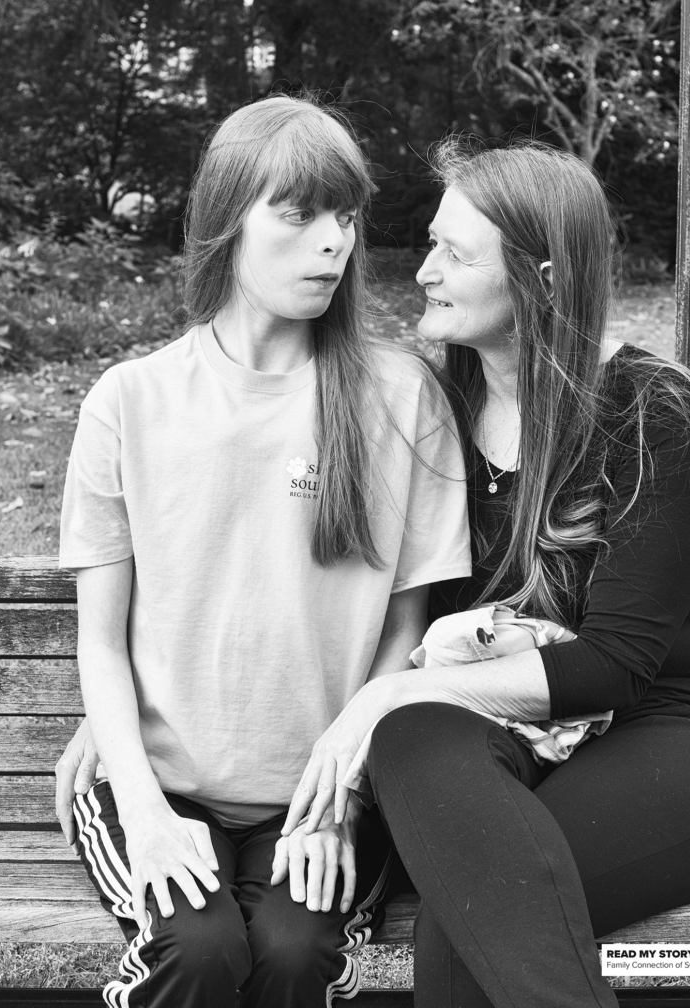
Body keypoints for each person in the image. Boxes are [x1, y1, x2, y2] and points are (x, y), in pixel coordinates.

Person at [281, 141, 690, 1008]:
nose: (423, 271)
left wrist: (390, 692)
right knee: (415, 743)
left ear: (540, 278)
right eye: (431, 242)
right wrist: (126, 679)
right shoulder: (430, 407)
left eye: (455, 254)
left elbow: (616, 663)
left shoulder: (648, 409)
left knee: (471, 923)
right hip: (504, 737)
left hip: (671, 735)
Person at [55, 96, 470, 1008]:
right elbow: (101, 640)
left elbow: (408, 629)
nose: (336, 243)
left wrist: (343, 804)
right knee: (198, 953)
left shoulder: (402, 397)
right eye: (300, 213)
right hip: (162, 785)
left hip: (328, 795)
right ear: (225, 219)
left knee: (288, 951)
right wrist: (146, 812)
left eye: (348, 216)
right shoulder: (131, 402)